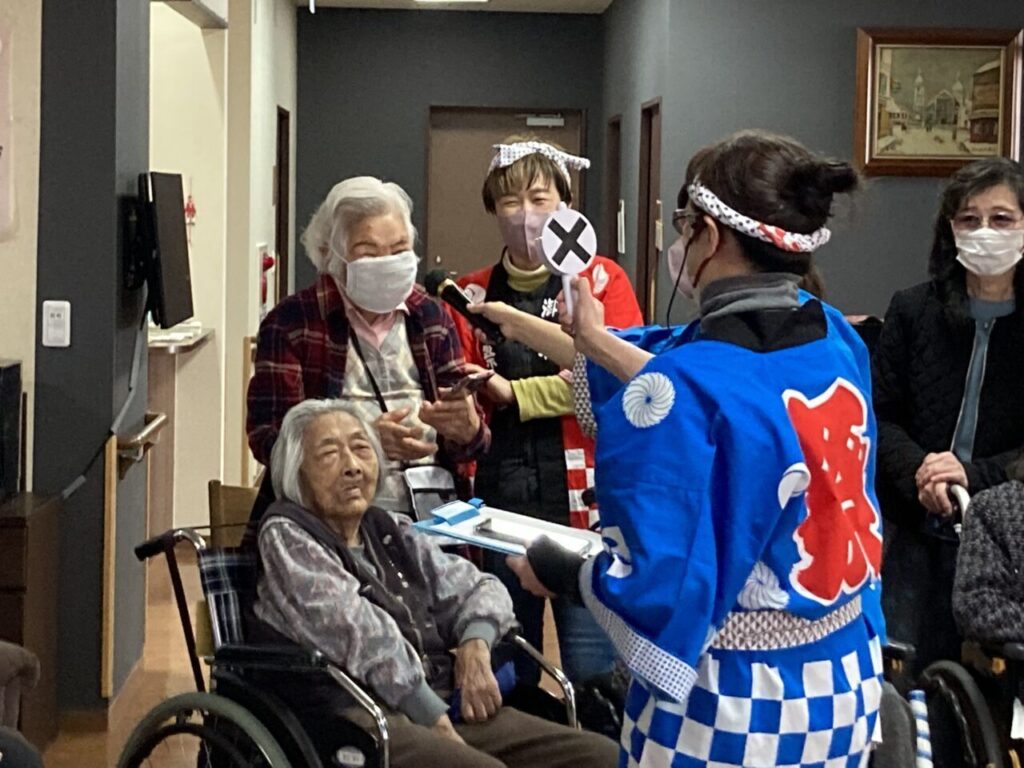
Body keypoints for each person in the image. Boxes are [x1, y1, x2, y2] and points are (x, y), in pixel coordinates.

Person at [470, 130, 886, 766]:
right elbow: (672, 368)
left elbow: (654, 583)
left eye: (684, 224)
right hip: (845, 676)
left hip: (737, 702)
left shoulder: (685, 391)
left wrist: (565, 569)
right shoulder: (834, 337)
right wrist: (584, 337)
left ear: (709, 235)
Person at [250, 399, 618, 768]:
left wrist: (475, 644)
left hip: (442, 701)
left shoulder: (391, 529)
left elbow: (479, 588)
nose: (352, 466)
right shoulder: (288, 535)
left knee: (603, 757)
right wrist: (430, 714)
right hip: (358, 715)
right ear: (295, 472)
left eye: (361, 448)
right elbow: (360, 634)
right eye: (329, 454)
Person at [450, 137, 642, 687]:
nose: (526, 215)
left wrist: (513, 394)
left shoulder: (600, 280)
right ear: (493, 209)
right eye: (511, 201)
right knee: (510, 665)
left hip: (587, 502)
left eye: (540, 199)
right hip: (499, 497)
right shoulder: (470, 294)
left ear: (566, 204)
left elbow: (616, 380)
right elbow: (466, 386)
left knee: (594, 670)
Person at [246, 177, 489, 527]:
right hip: (329, 525)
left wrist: (466, 429)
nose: (387, 263)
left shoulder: (431, 316)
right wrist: (362, 443)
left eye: (399, 249)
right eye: (368, 253)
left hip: (433, 520)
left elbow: (474, 444)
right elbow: (268, 439)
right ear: (331, 256)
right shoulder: (292, 323)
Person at [873, 157, 1024, 676]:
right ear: (950, 229)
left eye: (1001, 219)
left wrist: (971, 476)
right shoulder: (913, 310)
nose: (984, 232)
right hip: (916, 527)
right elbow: (878, 416)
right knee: (905, 675)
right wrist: (923, 472)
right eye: (969, 219)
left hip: (1006, 541)